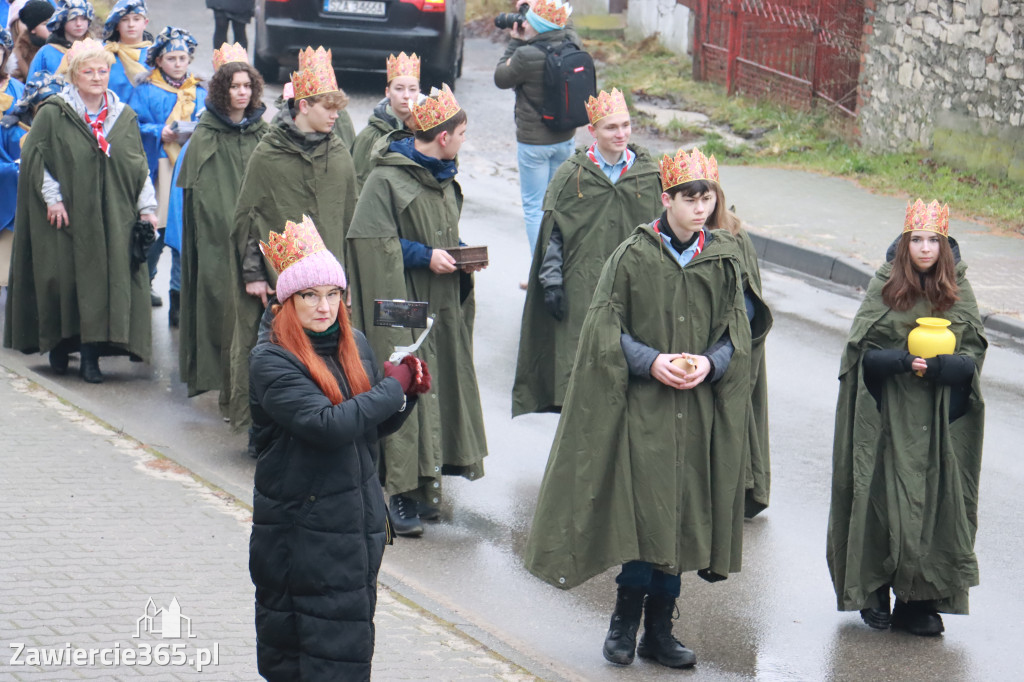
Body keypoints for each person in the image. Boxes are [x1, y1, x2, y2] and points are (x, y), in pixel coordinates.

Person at [523, 148, 767, 669]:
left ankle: (660, 629)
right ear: (667, 200)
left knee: (680, 516)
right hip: (645, 409)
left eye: (707, 197)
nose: (700, 207)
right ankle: (623, 621)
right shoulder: (633, 255)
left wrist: (711, 363)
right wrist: (651, 361)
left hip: (697, 409)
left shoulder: (725, 258)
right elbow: (604, 330)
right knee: (644, 513)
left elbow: (737, 333)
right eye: (689, 198)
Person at [248, 215, 429, 681]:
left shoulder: (357, 344)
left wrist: (406, 395)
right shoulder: (272, 358)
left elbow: (367, 428)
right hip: (301, 535)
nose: (324, 307)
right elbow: (326, 425)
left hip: (355, 529)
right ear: (288, 301)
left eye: (333, 294)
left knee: (345, 655)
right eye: (310, 295)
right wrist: (392, 388)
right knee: (303, 662)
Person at [826, 199, 986, 637]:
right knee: (879, 498)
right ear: (904, 244)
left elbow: (974, 353)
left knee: (931, 504)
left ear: (946, 245)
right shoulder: (884, 284)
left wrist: (941, 367)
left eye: (934, 240)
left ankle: (918, 600)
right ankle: (874, 589)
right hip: (886, 414)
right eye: (917, 239)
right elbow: (858, 351)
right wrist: (896, 361)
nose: (925, 248)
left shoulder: (960, 288)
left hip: (937, 421)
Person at [346, 84, 488, 537]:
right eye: (462, 133)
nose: (463, 141)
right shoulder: (385, 177)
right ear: (442, 136)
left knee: (436, 385)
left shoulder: (445, 175)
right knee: (405, 384)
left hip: (441, 299)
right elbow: (371, 241)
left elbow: (440, 229)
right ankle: (398, 494)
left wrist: (461, 255)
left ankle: (425, 487)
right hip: (401, 303)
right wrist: (425, 256)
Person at [3, 38, 158, 382]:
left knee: (104, 283)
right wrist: (53, 198)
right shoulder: (55, 113)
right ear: (74, 75)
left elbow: (138, 165)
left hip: (113, 215)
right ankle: (60, 346)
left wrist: (147, 207)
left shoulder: (122, 116)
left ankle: (91, 356)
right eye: (88, 71)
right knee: (67, 281)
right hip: (68, 214)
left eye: (103, 70)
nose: (97, 76)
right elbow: (37, 159)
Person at [228, 45, 357, 440]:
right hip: (277, 280)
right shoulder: (268, 154)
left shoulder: (340, 155)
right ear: (302, 106)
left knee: (326, 351)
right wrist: (253, 272)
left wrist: (348, 280)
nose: (336, 115)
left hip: (328, 284)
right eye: (327, 106)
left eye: (338, 107)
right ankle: (261, 430)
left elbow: (349, 220)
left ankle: (320, 423)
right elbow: (247, 217)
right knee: (273, 350)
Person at [512, 87, 662, 416]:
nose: (621, 133)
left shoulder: (649, 176)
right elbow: (553, 237)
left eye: (625, 125)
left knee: (629, 373)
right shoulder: (571, 176)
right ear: (592, 131)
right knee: (579, 373)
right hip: (581, 287)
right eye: (611, 127)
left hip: (635, 290)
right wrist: (551, 282)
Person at [176, 43, 268, 402]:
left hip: (256, 239)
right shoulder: (205, 135)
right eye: (234, 86)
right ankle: (217, 376)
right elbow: (196, 195)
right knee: (218, 304)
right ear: (221, 89)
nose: (242, 92)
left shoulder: (263, 133)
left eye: (247, 86)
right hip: (216, 239)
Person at [493, 0, 578, 256]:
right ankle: (559, 268)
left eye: (529, 20)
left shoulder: (525, 55)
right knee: (558, 206)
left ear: (538, 26)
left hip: (533, 144)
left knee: (534, 208)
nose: (524, 22)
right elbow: (567, 26)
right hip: (565, 139)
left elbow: (500, 77)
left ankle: (539, 271)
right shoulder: (573, 44)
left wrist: (516, 41)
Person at [129, 26, 204, 316]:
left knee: (185, 232)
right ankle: (143, 283)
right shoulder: (146, 90)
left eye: (182, 58)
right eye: (171, 58)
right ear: (159, 60)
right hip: (160, 167)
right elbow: (133, 123)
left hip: (189, 167)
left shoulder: (198, 90)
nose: (177, 64)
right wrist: (157, 131)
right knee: (156, 230)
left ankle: (178, 295)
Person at [0, 70, 61, 291]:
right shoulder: (9, 131)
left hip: (57, 210)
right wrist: (17, 168)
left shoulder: (68, 132)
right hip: (15, 208)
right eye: (44, 106)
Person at [350, 51, 419, 191]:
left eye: (412, 89)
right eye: (399, 89)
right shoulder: (370, 136)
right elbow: (359, 183)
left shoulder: (426, 132)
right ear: (387, 92)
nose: (406, 96)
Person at [27, 0, 92, 78]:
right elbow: (32, 85)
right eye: (73, 18)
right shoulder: (46, 52)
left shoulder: (96, 50)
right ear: (62, 21)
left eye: (84, 19)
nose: (79, 24)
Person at [102, 0, 151, 102]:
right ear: (116, 25)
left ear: (145, 23)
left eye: (136, 19)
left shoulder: (155, 56)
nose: (131, 25)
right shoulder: (104, 53)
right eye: (124, 20)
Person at [9, 1, 53, 82]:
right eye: (45, 24)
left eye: (53, 21)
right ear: (33, 29)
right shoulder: (20, 55)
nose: (51, 27)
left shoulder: (64, 44)